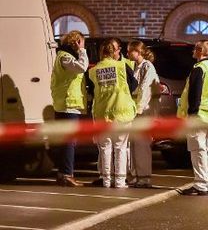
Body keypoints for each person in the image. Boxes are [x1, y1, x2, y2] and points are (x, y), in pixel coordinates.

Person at [87, 39, 138, 188]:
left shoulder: (93, 70)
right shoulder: (122, 66)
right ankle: (120, 181)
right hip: (122, 112)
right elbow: (133, 84)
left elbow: (91, 91)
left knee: (104, 148)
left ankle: (106, 180)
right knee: (120, 148)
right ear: (113, 52)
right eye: (117, 51)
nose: (119, 53)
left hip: (102, 113)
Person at [178, 40, 208, 196]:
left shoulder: (198, 69)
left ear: (200, 51)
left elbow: (194, 95)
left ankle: (201, 184)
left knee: (197, 150)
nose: (192, 51)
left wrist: (191, 115)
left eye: (195, 49)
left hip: (199, 116)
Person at [50, 30, 88, 187]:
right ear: (76, 43)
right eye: (81, 43)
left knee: (66, 141)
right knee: (69, 142)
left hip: (66, 105)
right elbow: (82, 67)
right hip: (68, 105)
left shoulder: (64, 56)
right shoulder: (65, 57)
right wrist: (82, 51)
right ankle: (66, 174)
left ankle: (63, 173)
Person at [127, 40, 161, 188]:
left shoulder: (148, 67)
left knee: (141, 145)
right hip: (136, 111)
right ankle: (135, 176)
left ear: (138, 51)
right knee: (134, 145)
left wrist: (138, 110)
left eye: (130, 51)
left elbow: (145, 90)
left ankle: (144, 177)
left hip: (144, 111)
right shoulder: (135, 66)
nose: (128, 54)